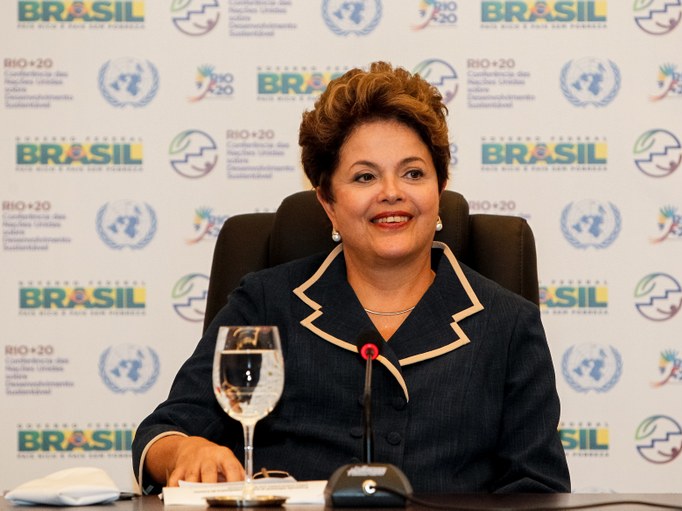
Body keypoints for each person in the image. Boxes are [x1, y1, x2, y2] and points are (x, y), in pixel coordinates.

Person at [132, 61, 570, 494]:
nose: (392, 193)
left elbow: (538, 489)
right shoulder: (267, 304)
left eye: (413, 173)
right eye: (365, 177)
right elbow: (163, 433)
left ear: (440, 187)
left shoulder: (508, 324)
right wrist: (183, 451)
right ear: (327, 200)